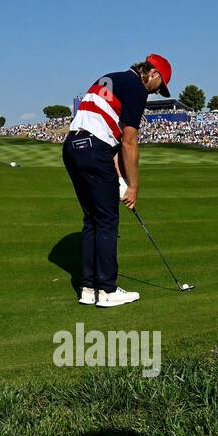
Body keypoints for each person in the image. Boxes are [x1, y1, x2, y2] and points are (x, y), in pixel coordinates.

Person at [63, 53, 172, 307]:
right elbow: (129, 141)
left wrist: (119, 178)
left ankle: (89, 288)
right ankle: (108, 290)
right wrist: (133, 187)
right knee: (107, 221)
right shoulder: (137, 88)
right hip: (94, 149)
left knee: (92, 219)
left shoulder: (113, 78)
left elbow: (108, 134)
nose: (157, 92)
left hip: (72, 147)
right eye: (160, 86)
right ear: (153, 74)